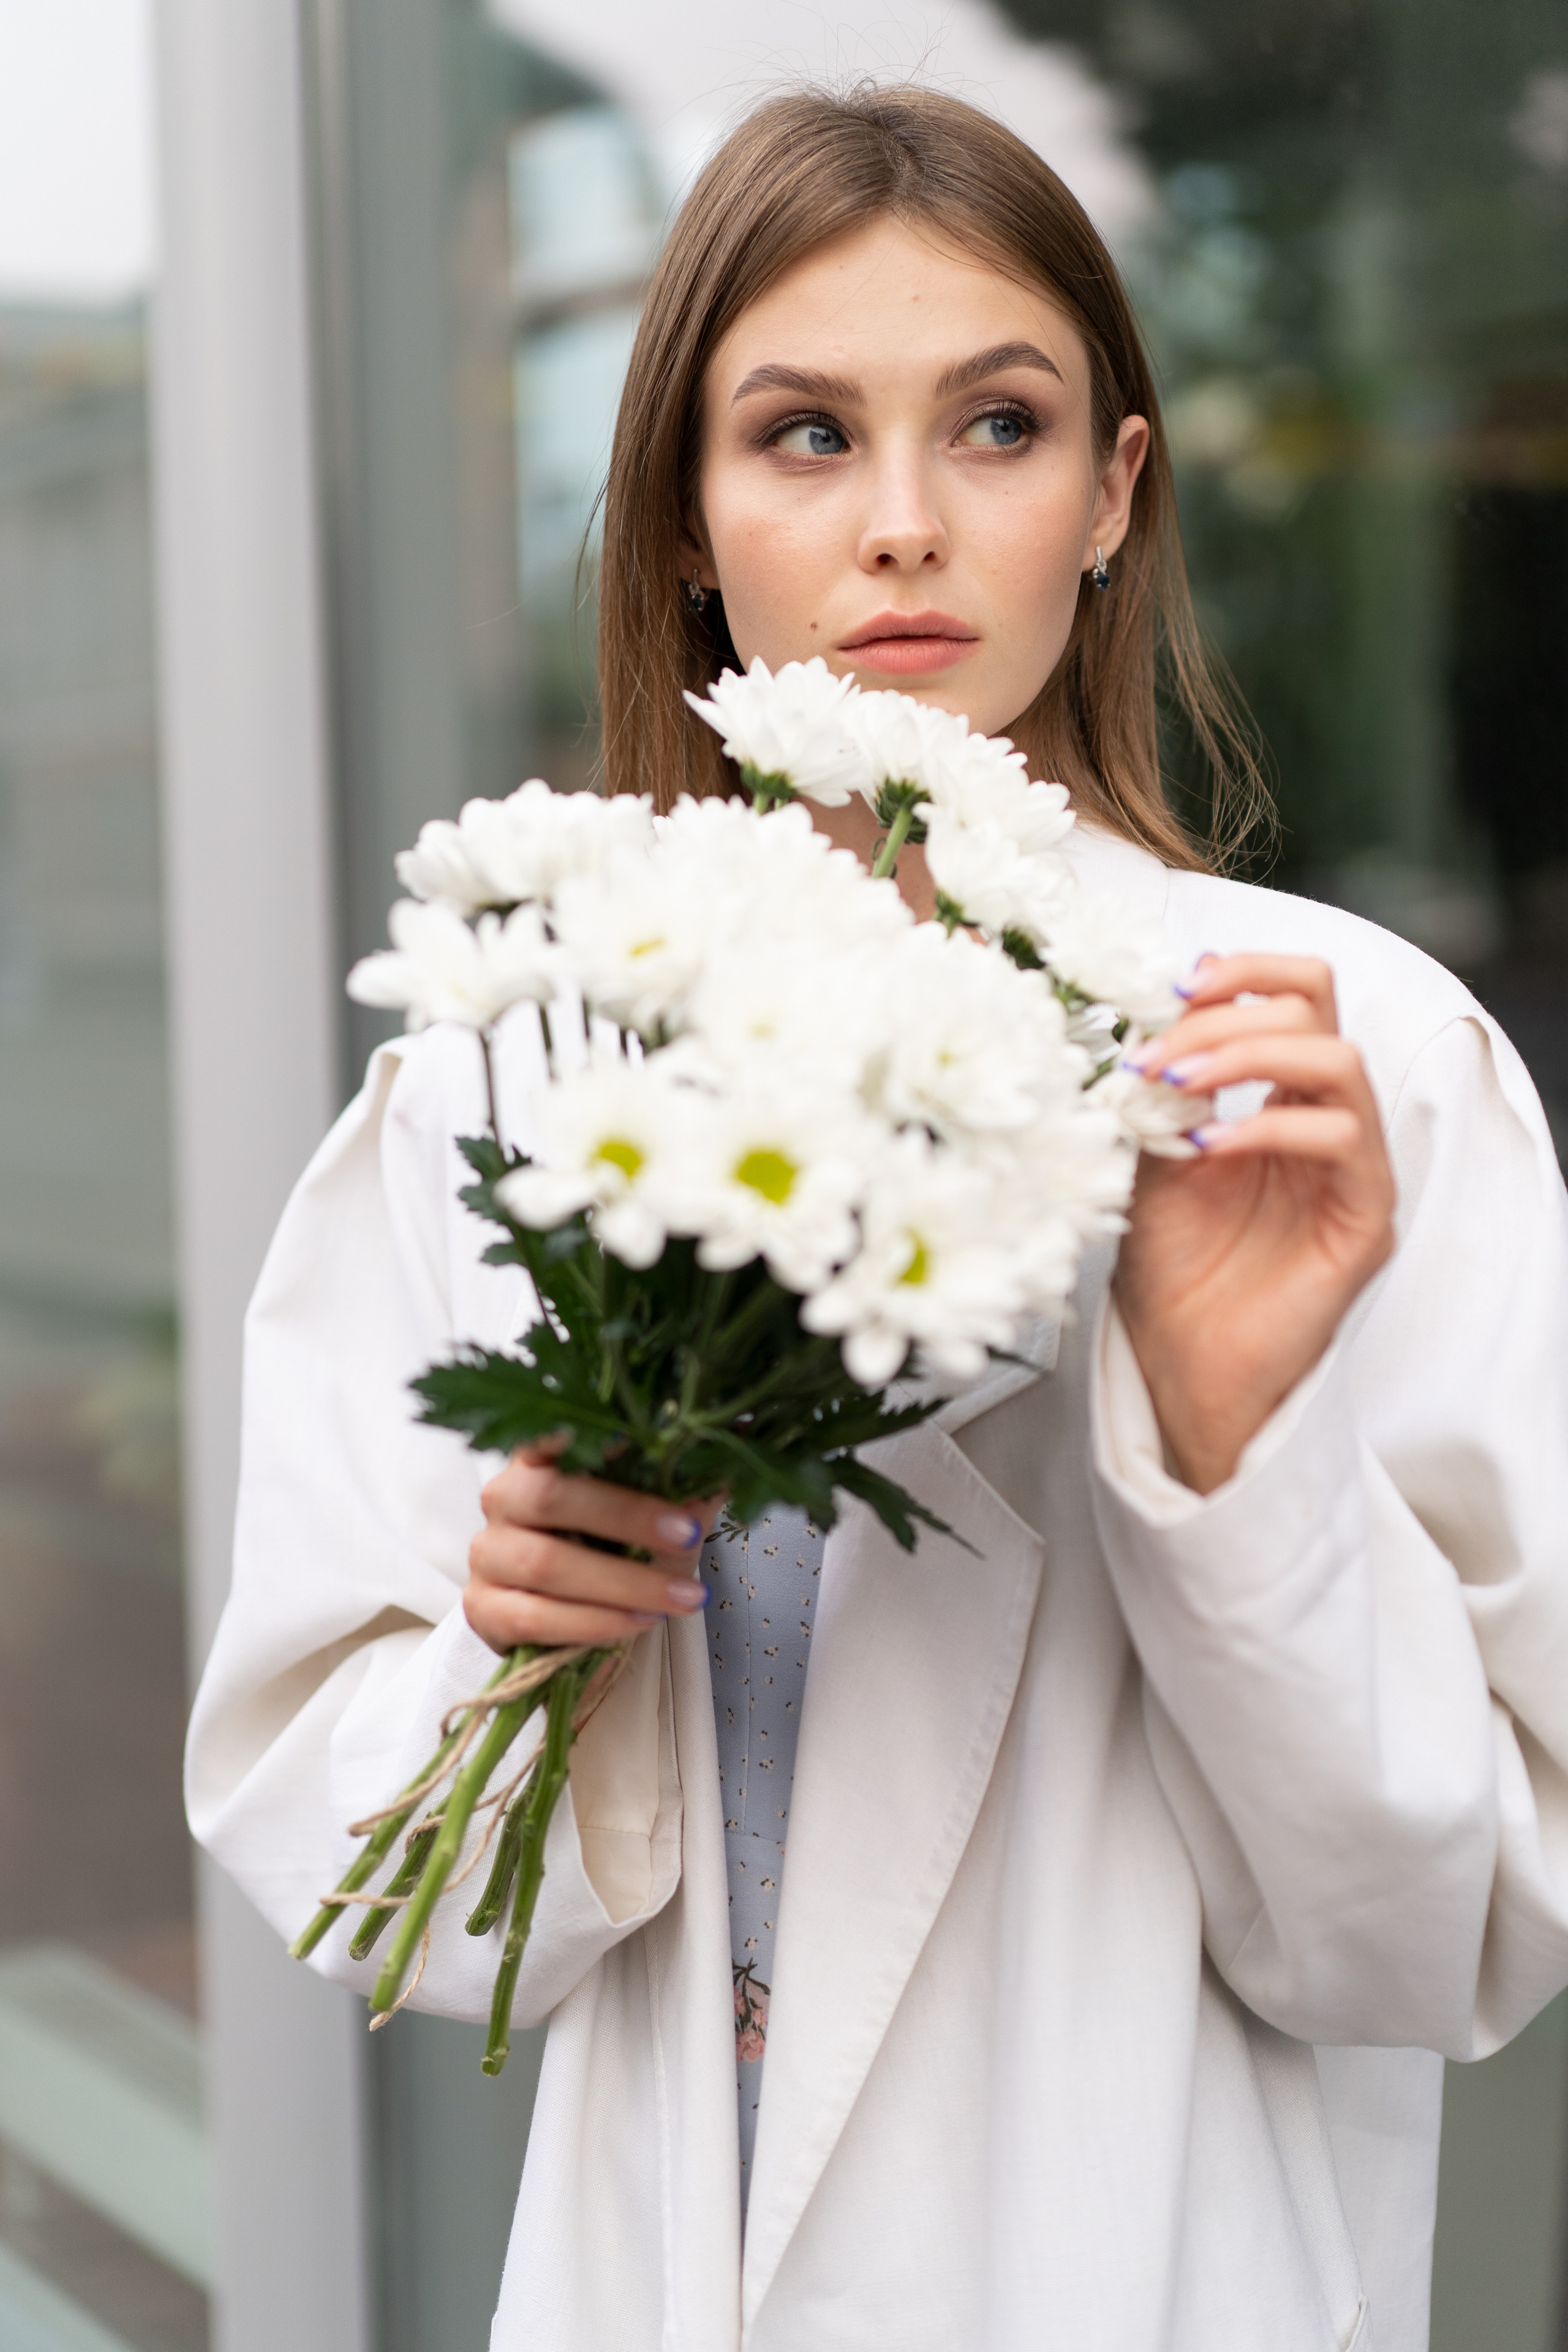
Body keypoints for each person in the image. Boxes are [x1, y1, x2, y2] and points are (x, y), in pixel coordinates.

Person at [186, 86, 1568, 2352]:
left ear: (1118, 494)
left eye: (999, 427)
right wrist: (511, 1654)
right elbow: (367, 1887)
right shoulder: (512, 1073)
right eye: (807, 435)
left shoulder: (1344, 1074)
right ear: (687, 518)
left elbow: (1448, 1940)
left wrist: (1238, 1476)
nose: (905, 528)